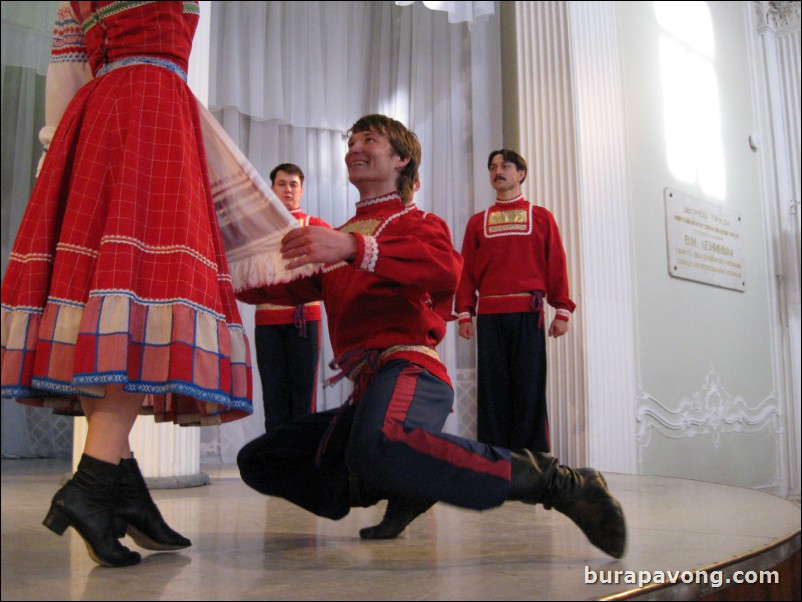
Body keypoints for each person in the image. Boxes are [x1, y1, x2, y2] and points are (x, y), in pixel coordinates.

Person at [235, 114, 626, 558]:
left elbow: (445, 270)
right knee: (260, 460)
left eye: (369, 140)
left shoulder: (416, 222)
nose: (354, 149)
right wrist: (215, 271)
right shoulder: (338, 236)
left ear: (402, 160)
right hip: (368, 390)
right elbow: (276, 287)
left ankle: (562, 483)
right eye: (352, 141)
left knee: (375, 442)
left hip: (411, 370)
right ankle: (403, 481)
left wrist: (354, 249)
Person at [1, 1, 253, 567]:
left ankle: (122, 489)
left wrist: (56, 153)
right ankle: (91, 487)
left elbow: (67, 72)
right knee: (145, 294)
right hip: (152, 115)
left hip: (95, 119)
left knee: (114, 299)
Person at [456, 149, 574, 453]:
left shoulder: (541, 217)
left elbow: (555, 264)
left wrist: (561, 309)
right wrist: (465, 312)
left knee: (529, 389)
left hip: (528, 315)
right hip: (491, 317)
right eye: (492, 167)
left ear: (520, 173)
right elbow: (466, 271)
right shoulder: (477, 223)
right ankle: (494, 462)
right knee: (493, 392)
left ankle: (529, 464)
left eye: (505, 166)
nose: (498, 171)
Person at [255, 164, 331, 433]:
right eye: (282, 184)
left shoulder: (315, 226)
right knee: (273, 395)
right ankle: (276, 469)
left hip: (304, 319)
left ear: (302, 189)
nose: (288, 189)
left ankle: (302, 465)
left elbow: (332, 272)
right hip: (267, 319)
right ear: (271, 188)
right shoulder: (257, 230)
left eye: (293, 184)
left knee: (303, 395)